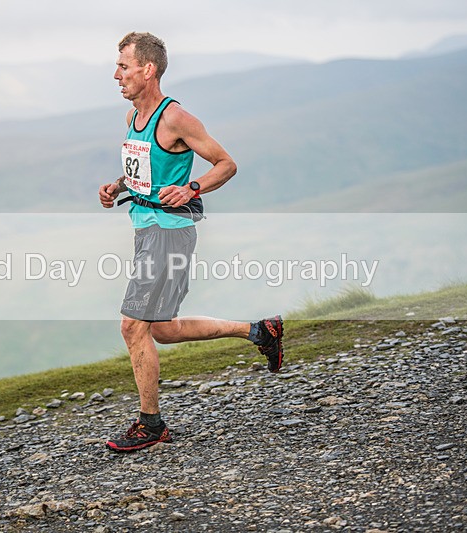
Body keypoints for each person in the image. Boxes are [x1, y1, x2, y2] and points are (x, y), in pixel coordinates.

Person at [98, 31, 283, 453]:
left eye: (123, 67)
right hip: (148, 228)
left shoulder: (175, 117)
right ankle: (260, 331)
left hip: (168, 233)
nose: (116, 75)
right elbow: (144, 170)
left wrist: (192, 187)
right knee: (161, 328)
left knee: (132, 326)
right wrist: (117, 185)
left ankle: (151, 425)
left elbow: (226, 163)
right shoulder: (134, 118)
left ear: (148, 69)